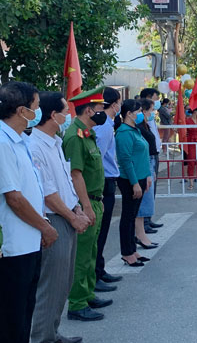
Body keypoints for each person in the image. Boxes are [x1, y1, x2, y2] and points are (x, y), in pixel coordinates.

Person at [0, 82, 57, 343]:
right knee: (11, 321)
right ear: (22, 110)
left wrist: (42, 223)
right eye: (36, 107)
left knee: (24, 315)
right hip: (14, 246)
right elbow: (14, 197)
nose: (38, 111)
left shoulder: (20, 140)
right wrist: (45, 226)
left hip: (30, 241)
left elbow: (30, 190)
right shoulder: (2, 142)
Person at [29, 91, 88, 343]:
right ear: (53, 115)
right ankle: (41, 337)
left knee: (63, 283)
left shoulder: (54, 142)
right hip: (53, 219)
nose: (68, 116)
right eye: (65, 111)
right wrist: (72, 216)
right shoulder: (35, 146)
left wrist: (77, 209)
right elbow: (47, 193)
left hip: (67, 215)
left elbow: (64, 183)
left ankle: (52, 333)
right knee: (51, 286)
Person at [64, 87, 113, 322]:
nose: (103, 112)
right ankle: (77, 303)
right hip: (85, 203)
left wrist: (96, 201)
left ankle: (88, 294)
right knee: (81, 255)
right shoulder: (75, 136)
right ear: (88, 110)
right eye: (100, 108)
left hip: (94, 200)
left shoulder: (88, 133)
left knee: (91, 252)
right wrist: (85, 206)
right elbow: (76, 175)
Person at [115, 99, 152, 268]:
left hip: (141, 177)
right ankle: (127, 253)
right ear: (128, 114)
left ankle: (133, 250)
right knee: (128, 217)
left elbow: (143, 155)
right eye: (137, 112)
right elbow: (125, 160)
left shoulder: (135, 129)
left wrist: (147, 176)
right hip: (131, 180)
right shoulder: (123, 133)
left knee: (133, 215)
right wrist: (135, 183)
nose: (140, 114)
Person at [93, 87, 123, 293]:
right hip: (103, 181)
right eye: (120, 102)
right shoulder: (103, 126)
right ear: (114, 105)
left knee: (102, 232)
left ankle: (99, 270)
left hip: (109, 179)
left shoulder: (108, 124)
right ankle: (94, 274)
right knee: (100, 232)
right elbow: (98, 159)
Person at [136, 99, 159, 249]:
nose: (152, 113)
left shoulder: (145, 125)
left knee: (147, 201)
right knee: (143, 202)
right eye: (150, 110)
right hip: (142, 165)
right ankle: (140, 235)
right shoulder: (134, 128)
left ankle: (142, 233)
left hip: (148, 163)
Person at [139, 88, 162, 231]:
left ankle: (148, 218)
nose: (154, 110)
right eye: (155, 98)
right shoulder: (139, 122)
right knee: (146, 190)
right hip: (147, 158)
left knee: (152, 189)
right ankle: (144, 222)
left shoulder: (149, 119)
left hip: (154, 155)